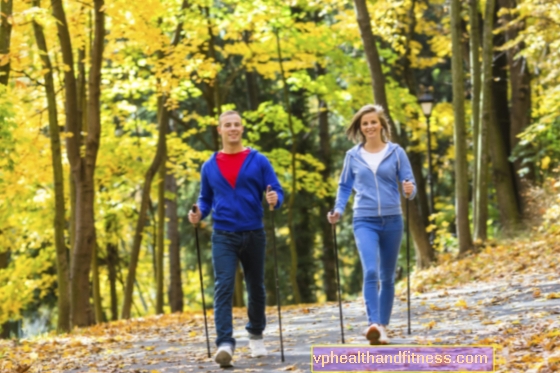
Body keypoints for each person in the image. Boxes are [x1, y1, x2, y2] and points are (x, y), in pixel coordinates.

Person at [188, 110, 283, 368]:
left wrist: (275, 200)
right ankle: (225, 344)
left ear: (242, 129)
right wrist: (198, 212)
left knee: (256, 287)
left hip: (254, 232)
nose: (232, 128)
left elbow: (276, 190)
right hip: (223, 235)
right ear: (219, 130)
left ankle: (255, 334)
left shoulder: (258, 160)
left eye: (236, 125)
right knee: (224, 286)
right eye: (227, 125)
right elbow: (205, 199)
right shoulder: (209, 166)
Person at [327, 104, 416, 345]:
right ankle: (373, 323)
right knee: (371, 271)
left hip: (393, 220)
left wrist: (409, 190)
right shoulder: (352, 156)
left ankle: (383, 327)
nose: (369, 127)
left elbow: (410, 185)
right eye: (364, 123)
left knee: (387, 276)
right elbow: (345, 186)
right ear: (360, 128)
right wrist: (338, 209)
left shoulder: (397, 152)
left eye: (373, 122)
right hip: (364, 219)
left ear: (382, 125)